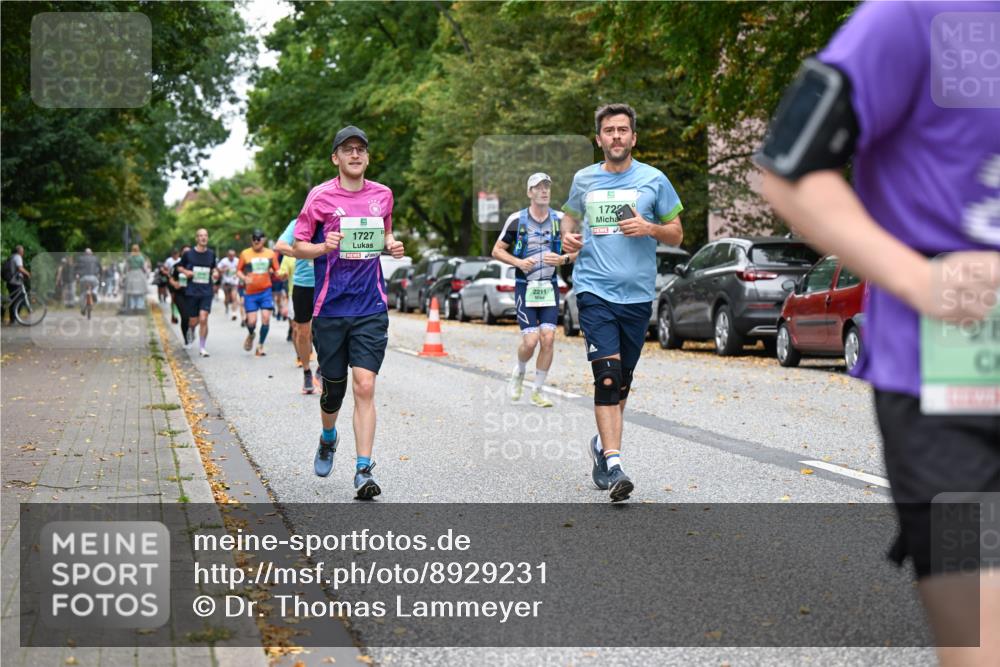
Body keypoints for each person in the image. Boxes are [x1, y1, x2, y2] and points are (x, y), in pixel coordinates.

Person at [758, 2, 999, 664]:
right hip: (950, 397)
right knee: (982, 638)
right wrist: (921, 281)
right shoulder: (913, 15)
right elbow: (789, 169)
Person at [560, 103, 684, 502]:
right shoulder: (584, 179)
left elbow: (677, 234)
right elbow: (568, 218)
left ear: (634, 137)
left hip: (637, 297)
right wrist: (568, 238)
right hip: (594, 291)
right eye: (609, 131)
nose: (616, 136)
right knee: (607, 377)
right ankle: (615, 465)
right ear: (599, 139)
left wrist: (649, 228)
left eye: (623, 130)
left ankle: (601, 445)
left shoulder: (654, 180)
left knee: (622, 383)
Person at [292, 125, 405, 497]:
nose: (355, 154)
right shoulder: (320, 197)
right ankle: (328, 436)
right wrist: (324, 247)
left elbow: (385, 233)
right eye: (347, 149)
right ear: (336, 158)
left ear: (367, 157)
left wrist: (391, 244)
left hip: (370, 305)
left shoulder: (383, 195)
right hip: (330, 307)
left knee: (366, 384)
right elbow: (298, 246)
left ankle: (363, 470)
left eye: (361, 149)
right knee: (333, 391)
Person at [493, 173, 575, 408]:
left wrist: (564, 259)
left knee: (548, 338)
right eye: (538, 187)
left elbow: (581, 249)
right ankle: (519, 371)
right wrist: (518, 263)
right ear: (529, 193)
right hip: (525, 287)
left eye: (547, 187)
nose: (543, 191)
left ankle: (538, 390)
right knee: (530, 341)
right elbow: (497, 250)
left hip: (549, 286)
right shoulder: (516, 220)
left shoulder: (561, 220)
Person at [275, 218, 317, 394]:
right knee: (303, 331)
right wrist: (300, 252)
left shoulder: (334, 218)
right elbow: (280, 245)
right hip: (303, 284)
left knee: (326, 329)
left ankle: (323, 369)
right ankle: (307, 371)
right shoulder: (299, 223)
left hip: (328, 283)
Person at [237, 229, 279, 356]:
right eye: (254, 238)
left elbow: (277, 270)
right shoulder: (245, 254)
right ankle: (251, 334)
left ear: (264, 240)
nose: (256, 241)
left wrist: (279, 274)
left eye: (259, 238)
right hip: (250, 293)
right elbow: (238, 270)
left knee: (266, 318)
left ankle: (260, 345)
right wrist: (244, 278)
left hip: (266, 290)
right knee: (251, 322)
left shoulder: (270, 254)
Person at [176, 230, 218, 356]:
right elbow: (179, 267)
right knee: (193, 321)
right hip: (192, 291)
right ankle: (191, 329)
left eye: (205, 235)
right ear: (196, 238)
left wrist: (215, 272)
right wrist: (186, 272)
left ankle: (202, 347)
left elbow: (214, 268)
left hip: (206, 291)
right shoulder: (189, 254)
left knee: (204, 318)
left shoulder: (211, 254)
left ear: (208, 238)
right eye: (200, 236)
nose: (203, 238)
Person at [168, 245, 192, 345]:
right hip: (180, 295)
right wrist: (175, 284)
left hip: (193, 294)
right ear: (181, 253)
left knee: (193, 317)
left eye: (189, 252)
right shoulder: (176, 266)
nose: (186, 254)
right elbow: (170, 278)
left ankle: (191, 332)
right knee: (185, 316)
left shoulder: (195, 265)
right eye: (184, 252)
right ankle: (186, 338)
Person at [4, 245, 31, 324]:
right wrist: (28, 274)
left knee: (13, 300)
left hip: (10, 282)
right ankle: (14, 319)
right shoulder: (18, 257)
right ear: (19, 251)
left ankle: (13, 320)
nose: (23, 252)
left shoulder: (12, 257)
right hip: (15, 282)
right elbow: (20, 268)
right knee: (19, 300)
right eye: (22, 251)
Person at [75, 248, 102, 316]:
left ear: (84, 253)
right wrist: (100, 276)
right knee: (96, 285)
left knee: (82, 293)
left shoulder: (80, 259)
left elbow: (76, 269)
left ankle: (82, 308)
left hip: (83, 278)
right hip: (93, 278)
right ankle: (94, 292)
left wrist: (77, 276)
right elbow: (100, 269)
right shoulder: (96, 259)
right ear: (91, 253)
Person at [124, 244, 148, 312]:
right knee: (140, 291)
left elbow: (127, 267)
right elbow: (144, 267)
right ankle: (139, 306)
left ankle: (132, 306)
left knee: (132, 291)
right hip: (139, 273)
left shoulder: (129, 257)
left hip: (131, 273)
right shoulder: (141, 257)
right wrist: (146, 273)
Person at [217, 249, 240, 320]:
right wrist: (224, 270)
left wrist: (237, 273)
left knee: (234, 297)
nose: (232, 257)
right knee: (227, 298)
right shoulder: (224, 261)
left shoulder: (237, 261)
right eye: (230, 255)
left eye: (233, 255)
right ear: (228, 255)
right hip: (226, 282)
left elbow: (241, 269)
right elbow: (218, 268)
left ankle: (234, 313)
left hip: (234, 282)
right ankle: (226, 306)